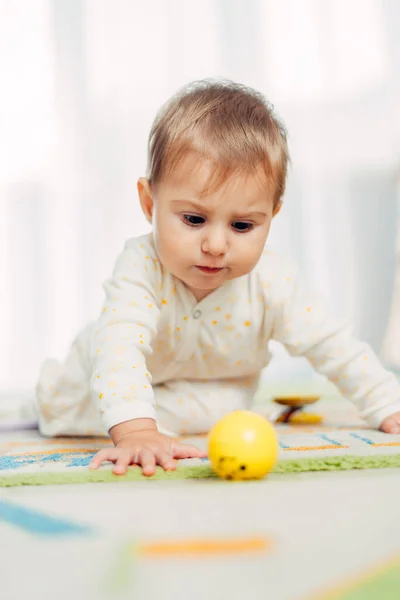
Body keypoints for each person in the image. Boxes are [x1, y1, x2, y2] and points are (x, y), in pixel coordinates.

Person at [36, 79, 400, 477]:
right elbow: (119, 347)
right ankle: (91, 409)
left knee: (226, 412)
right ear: (148, 203)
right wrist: (137, 432)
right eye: (194, 219)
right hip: (97, 384)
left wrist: (388, 403)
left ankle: (159, 419)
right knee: (83, 404)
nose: (215, 244)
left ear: (271, 217)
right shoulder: (141, 264)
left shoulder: (273, 281)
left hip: (208, 391)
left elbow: (333, 344)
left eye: (242, 225)